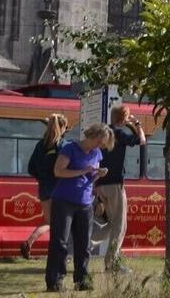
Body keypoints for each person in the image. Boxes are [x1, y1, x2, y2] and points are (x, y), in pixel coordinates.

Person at [47, 123, 109, 292]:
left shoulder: (97, 153)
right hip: (64, 200)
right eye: (100, 142)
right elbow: (58, 171)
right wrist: (82, 171)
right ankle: (55, 281)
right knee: (60, 241)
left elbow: (92, 175)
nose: (100, 146)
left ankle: (82, 280)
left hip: (85, 202)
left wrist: (98, 174)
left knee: (84, 244)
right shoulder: (70, 148)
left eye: (102, 144)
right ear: (92, 136)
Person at [96, 105, 147, 273]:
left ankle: (85, 244)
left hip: (100, 184)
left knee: (111, 223)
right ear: (123, 118)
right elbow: (141, 141)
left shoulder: (104, 132)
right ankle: (112, 264)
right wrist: (137, 124)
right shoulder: (119, 133)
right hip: (115, 185)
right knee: (120, 226)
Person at [21, 114, 68, 259]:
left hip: (43, 188)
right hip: (58, 188)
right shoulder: (61, 145)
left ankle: (30, 241)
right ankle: (55, 252)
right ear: (62, 128)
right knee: (58, 223)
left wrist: (42, 178)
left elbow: (30, 168)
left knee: (49, 222)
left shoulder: (40, 145)